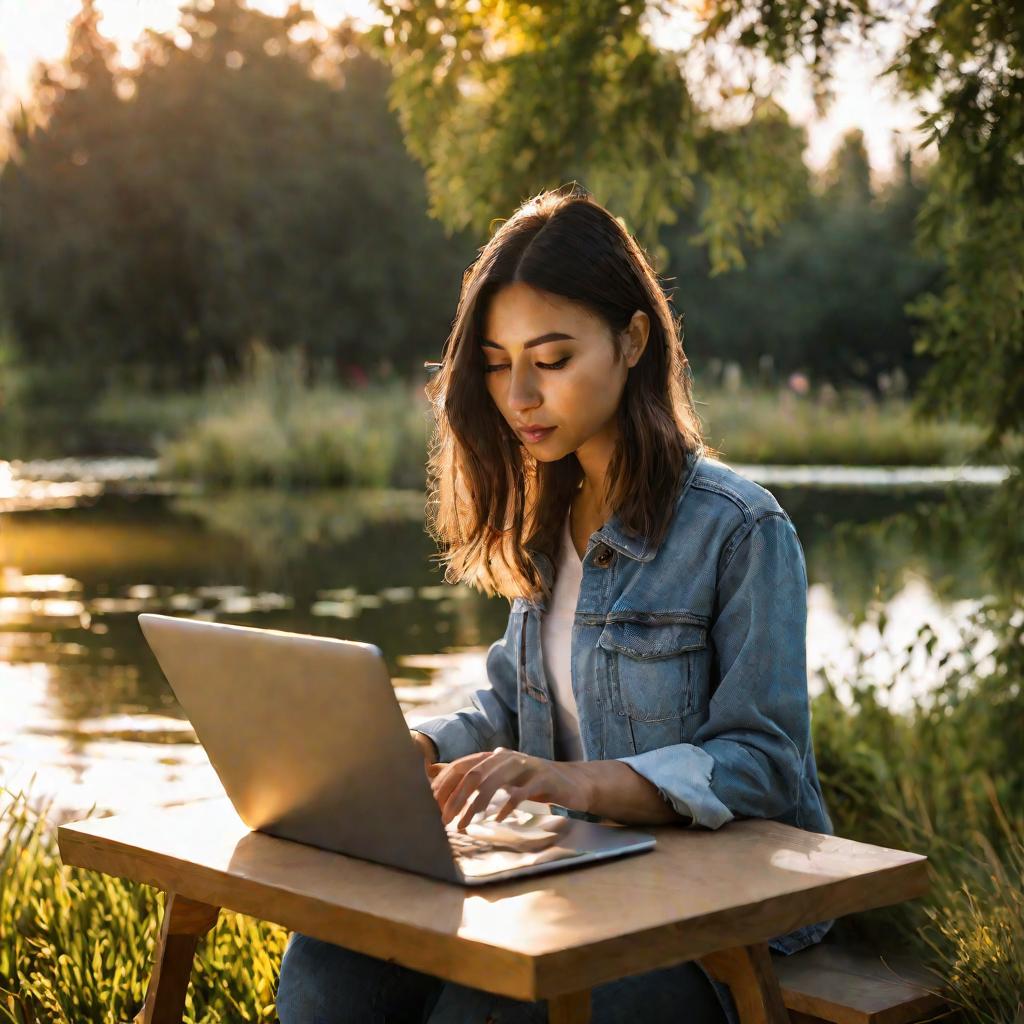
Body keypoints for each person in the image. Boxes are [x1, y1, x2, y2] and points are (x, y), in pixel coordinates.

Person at [276, 183, 833, 1024]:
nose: (519, 397)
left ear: (633, 339)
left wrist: (573, 783)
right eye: (498, 365)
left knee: (480, 1007)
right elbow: (512, 707)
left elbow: (763, 762)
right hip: (573, 874)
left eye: (552, 359)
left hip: (708, 920)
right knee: (327, 967)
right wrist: (413, 748)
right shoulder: (548, 516)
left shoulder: (741, 528)